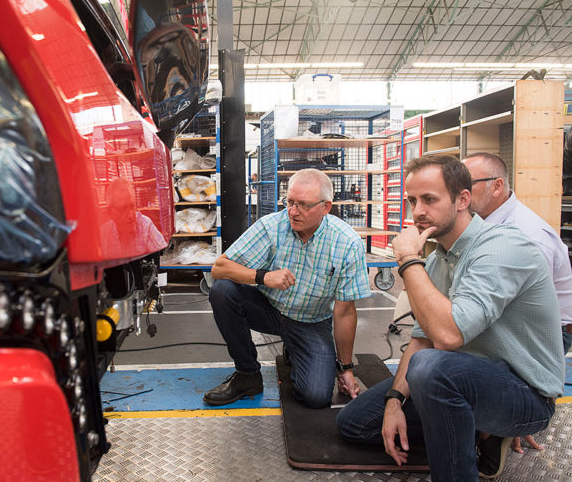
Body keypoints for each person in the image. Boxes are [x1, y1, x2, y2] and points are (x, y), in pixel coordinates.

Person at [336, 155, 564, 482]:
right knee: (355, 423)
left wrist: (408, 259)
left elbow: (447, 337)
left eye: (429, 199)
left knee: (432, 367)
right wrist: (394, 401)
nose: (418, 211)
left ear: (462, 200)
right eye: (412, 201)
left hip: (523, 394)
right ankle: (475, 431)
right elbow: (421, 339)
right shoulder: (439, 260)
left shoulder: (501, 247)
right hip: (461, 379)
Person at [203, 168, 370, 408]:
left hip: (310, 321)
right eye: (290, 201)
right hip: (268, 309)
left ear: (326, 207)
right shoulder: (272, 226)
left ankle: (296, 349)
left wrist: (345, 369)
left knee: (315, 397)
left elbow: (345, 311)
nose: (292, 211)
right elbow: (219, 268)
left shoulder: (347, 243)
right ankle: (247, 374)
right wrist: (262, 276)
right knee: (223, 291)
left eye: (303, 205)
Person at [463, 152, 572, 455]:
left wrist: (515, 413)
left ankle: (500, 425)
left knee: (447, 359)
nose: (460, 193)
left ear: (497, 186)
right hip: (513, 323)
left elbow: (530, 325)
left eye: (467, 184)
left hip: (543, 335)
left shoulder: (526, 235)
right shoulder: (486, 224)